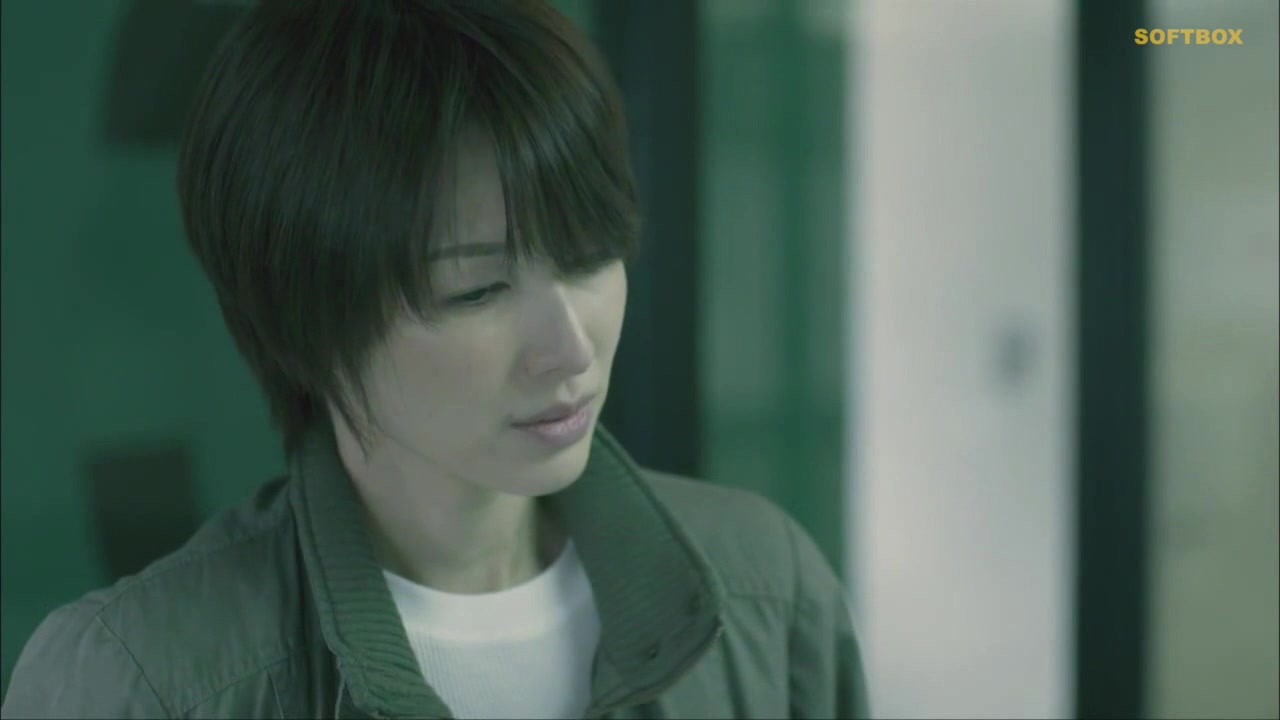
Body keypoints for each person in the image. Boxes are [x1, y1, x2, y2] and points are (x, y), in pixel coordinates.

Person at [1, 1, 870, 718]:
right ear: (309, 319)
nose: (571, 347)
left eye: (588, 256)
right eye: (477, 290)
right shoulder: (144, 681)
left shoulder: (766, 596)